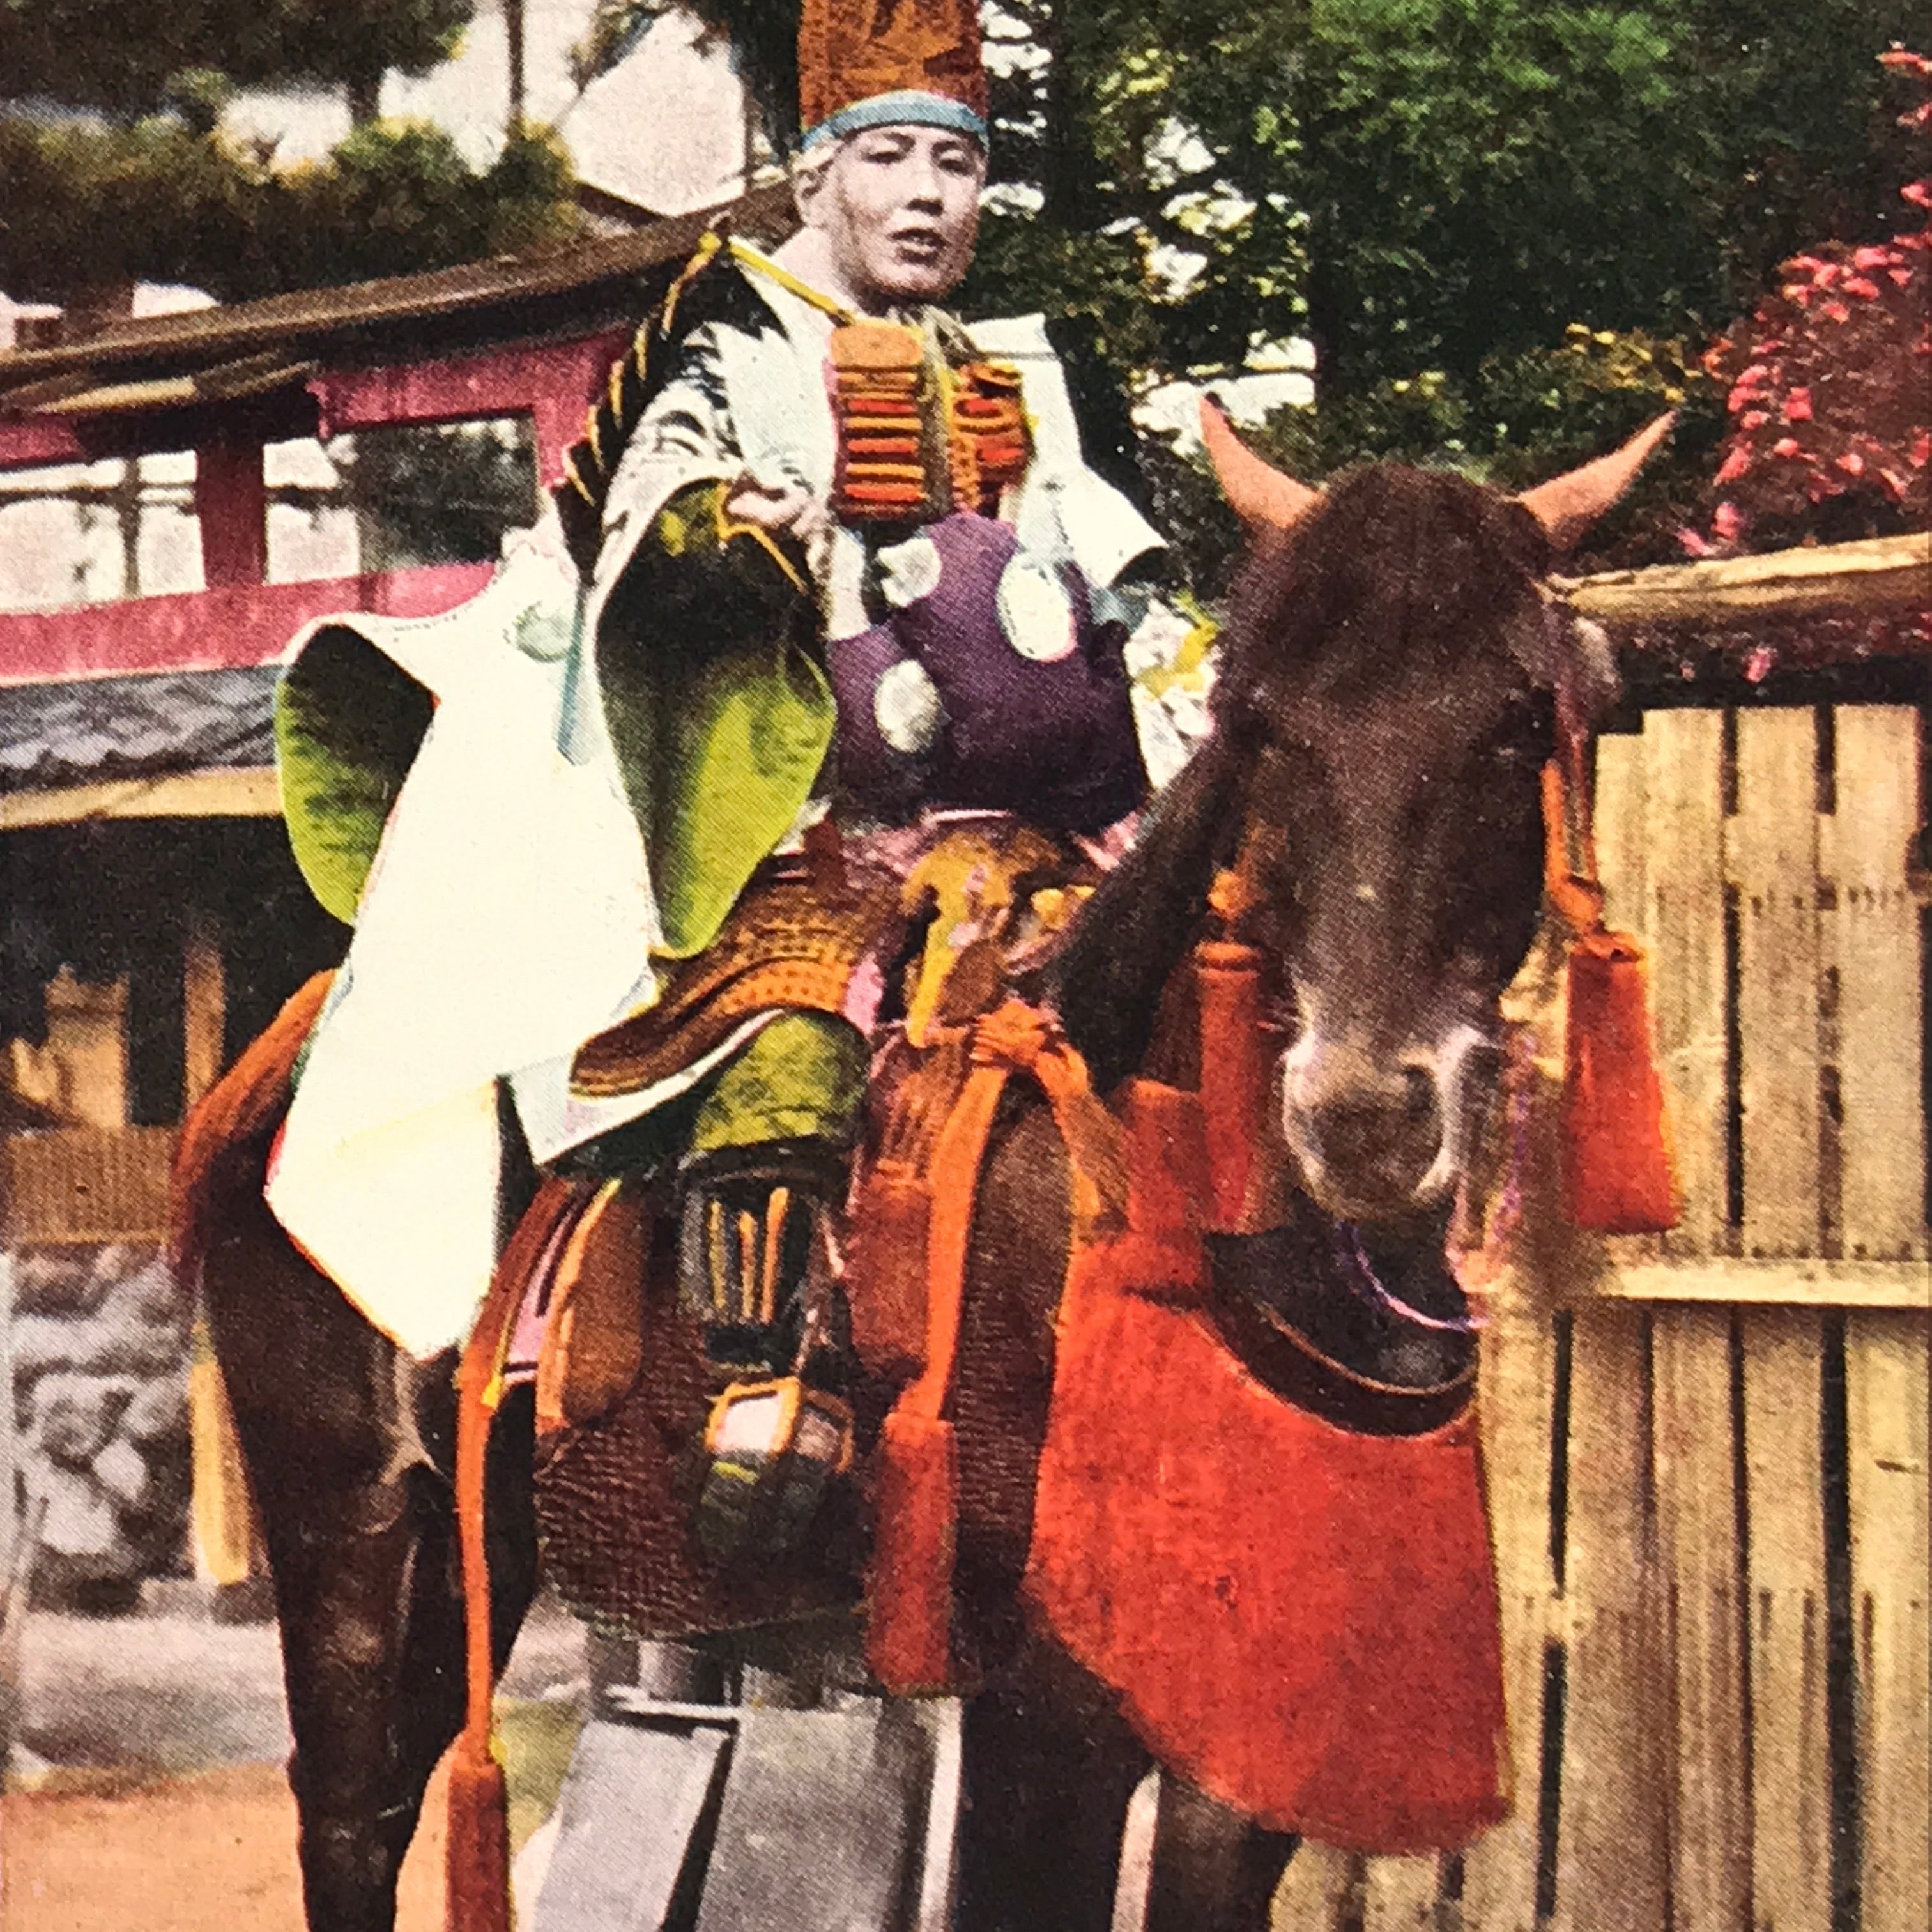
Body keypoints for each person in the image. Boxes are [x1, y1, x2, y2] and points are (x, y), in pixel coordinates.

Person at [263, 0, 1208, 1470]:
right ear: (815, 174)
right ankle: (757, 1399)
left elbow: (1101, 570)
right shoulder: (730, 340)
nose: (925, 196)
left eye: (955, 165)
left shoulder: (1001, 368)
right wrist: (737, 530)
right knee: (793, 1038)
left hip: (1014, 832)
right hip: (786, 823)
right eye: (888, 158)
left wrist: (1178, 662)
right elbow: (649, 510)